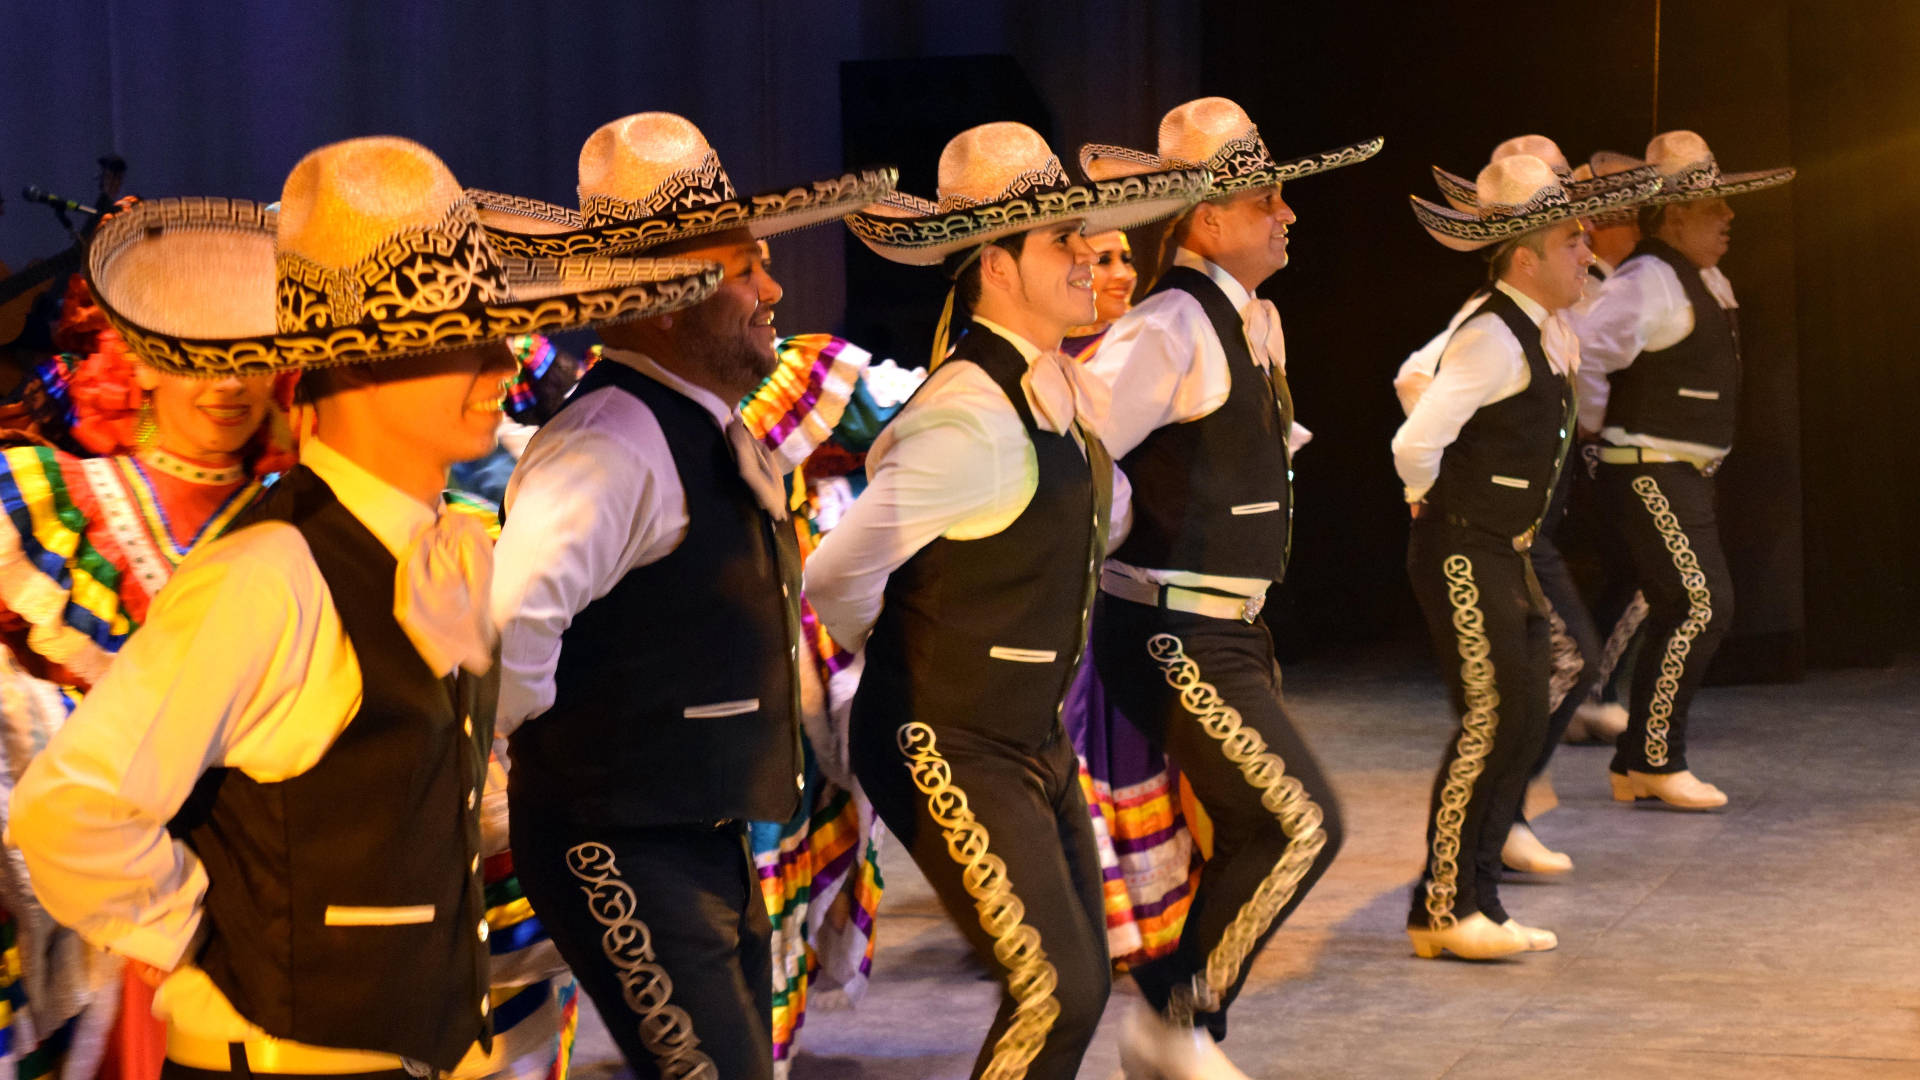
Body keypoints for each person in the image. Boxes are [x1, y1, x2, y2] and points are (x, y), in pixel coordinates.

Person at [9, 136, 720, 1080]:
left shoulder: (448, 550)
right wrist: (210, 946)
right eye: (463, 335)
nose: (504, 361)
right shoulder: (268, 575)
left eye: (497, 329)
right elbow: (71, 814)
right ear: (359, 366)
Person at [481, 112, 894, 1080]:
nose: (774, 288)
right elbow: (507, 639)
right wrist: (569, 762)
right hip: (620, 848)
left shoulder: (682, 424)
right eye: (748, 268)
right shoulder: (611, 443)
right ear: (670, 297)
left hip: (687, 842)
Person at [819, 120, 1206, 1080]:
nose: (1087, 258)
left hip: (1024, 736)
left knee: (1078, 984)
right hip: (942, 738)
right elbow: (834, 577)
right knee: (1058, 989)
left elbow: (1092, 522)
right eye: (1061, 242)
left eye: (1084, 236)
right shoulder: (967, 414)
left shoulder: (1056, 390)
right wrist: (916, 652)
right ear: (996, 265)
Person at [1075, 96, 1377, 1077]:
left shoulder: (1250, 322)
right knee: (1299, 821)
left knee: (1261, 824)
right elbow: (1072, 459)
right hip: (1170, 627)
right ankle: (1174, 1019)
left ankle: (1179, 1017)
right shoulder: (1167, 327)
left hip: (1221, 625)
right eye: (1265, 199)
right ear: (1206, 219)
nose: (1288, 212)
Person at [0, 270, 287, 1080]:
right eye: (200, 355)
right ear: (143, 359)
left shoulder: (305, 526)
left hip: (272, 926)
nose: (230, 383)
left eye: (252, 355)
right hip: (103, 928)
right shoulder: (52, 506)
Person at [1396, 154, 1655, 960]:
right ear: (1524, 256)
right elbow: (1415, 437)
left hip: (1503, 552)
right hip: (1465, 552)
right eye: (1572, 241)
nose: (1587, 253)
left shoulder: (1540, 328)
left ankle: (1479, 899)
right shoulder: (1491, 335)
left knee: (1522, 719)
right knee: (1490, 724)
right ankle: (1442, 910)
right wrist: (1428, 500)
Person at [1571, 130, 1794, 810]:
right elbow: (1586, 358)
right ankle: (1653, 759)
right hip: (1646, 468)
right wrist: (1596, 429)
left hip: (1679, 470)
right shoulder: (1647, 281)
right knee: (1699, 604)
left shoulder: (1699, 277)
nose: (1728, 217)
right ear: (1671, 217)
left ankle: (1640, 761)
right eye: (1711, 208)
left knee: (1683, 604)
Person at [737, 332, 922, 1072]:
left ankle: (766, 1044)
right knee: (750, 864)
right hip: (736, 669)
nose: (770, 290)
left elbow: (896, 409)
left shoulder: (789, 369)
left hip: (793, 658)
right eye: (747, 271)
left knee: (789, 837)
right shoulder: (637, 413)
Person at [1062, 230, 1138, 360]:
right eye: (1103, 260)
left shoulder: (1144, 344)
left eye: (1126, 260)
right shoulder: (1026, 343)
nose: (1124, 275)